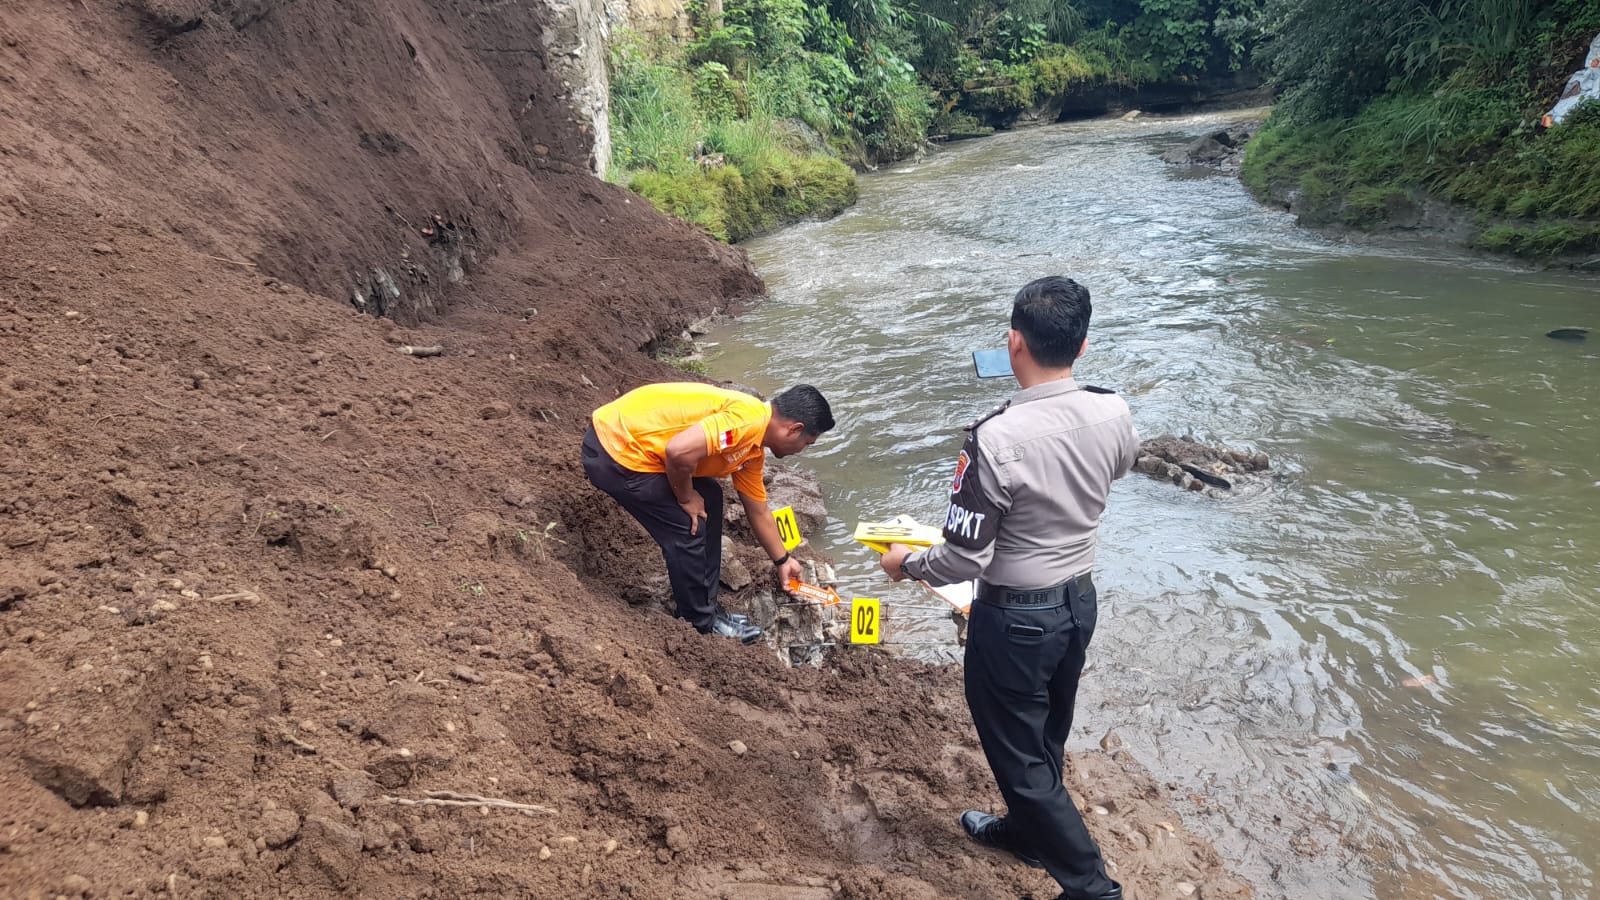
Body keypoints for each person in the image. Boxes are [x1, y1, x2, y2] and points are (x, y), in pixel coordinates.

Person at [879, 276, 1138, 900]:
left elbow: (968, 554)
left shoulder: (994, 438)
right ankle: (1028, 834)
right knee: (1045, 733)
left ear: (1013, 342)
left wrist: (906, 565)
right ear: (1080, 348)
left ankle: (1091, 887)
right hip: (1079, 602)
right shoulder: (1114, 410)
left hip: (1016, 620)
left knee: (1020, 760)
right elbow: (1120, 469)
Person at [583, 382, 834, 643]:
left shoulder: (752, 449)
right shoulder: (747, 422)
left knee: (712, 497)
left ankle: (707, 607)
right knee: (686, 527)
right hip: (616, 450)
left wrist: (783, 561)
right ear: (795, 429)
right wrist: (686, 496)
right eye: (808, 443)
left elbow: (758, 510)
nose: (803, 450)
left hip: (637, 446)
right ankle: (699, 625)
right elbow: (678, 452)